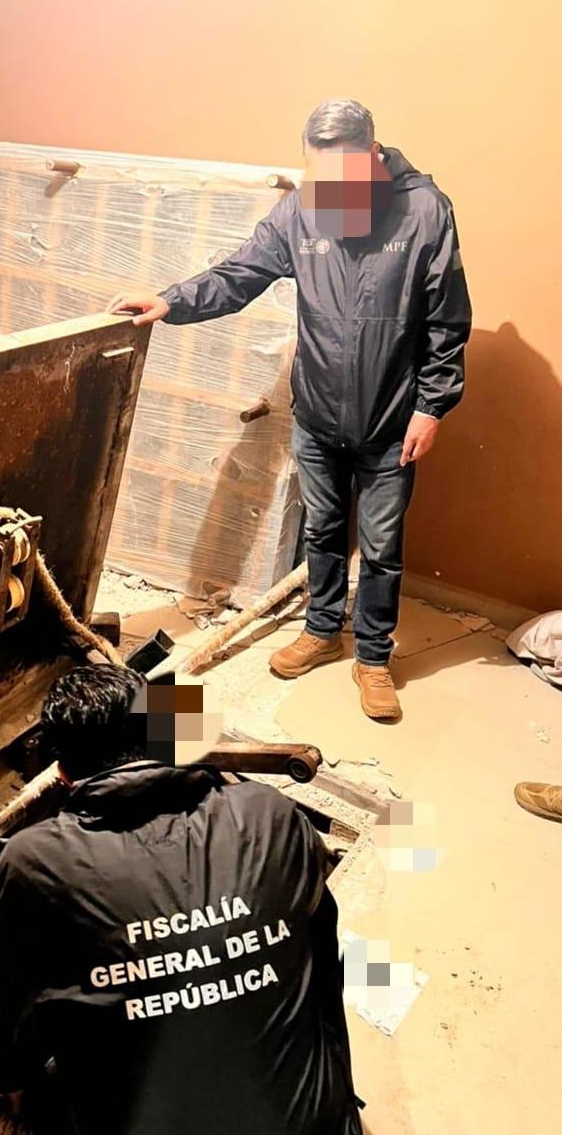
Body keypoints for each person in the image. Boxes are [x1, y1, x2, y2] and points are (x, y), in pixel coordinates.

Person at [109, 98, 472, 722]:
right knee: (321, 531)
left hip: (391, 421)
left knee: (381, 547)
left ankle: (374, 657)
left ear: (373, 156)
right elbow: (239, 273)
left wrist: (431, 407)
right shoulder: (303, 210)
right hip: (318, 415)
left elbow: (447, 318)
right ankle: (322, 630)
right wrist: (171, 301)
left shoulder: (424, 212)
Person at [0, 664, 363, 1135]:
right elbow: (323, 964)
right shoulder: (270, 814)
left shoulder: (34, 863)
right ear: (162, 736)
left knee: (14, 1003)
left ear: (61, 772)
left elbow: (14, 1022)